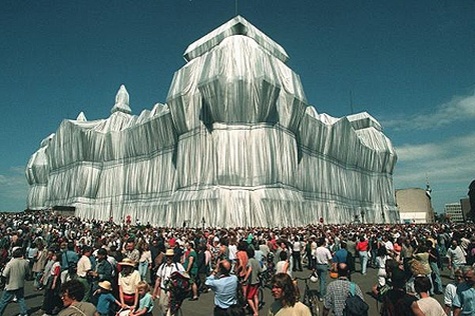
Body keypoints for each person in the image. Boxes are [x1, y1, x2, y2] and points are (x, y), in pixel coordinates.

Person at [152, 249, 185, 316]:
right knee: (162, 305)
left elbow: (185, 277)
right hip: (163, 290)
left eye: (170, 257)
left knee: (172, 309)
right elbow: (158, 279)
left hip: (174, 291)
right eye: (167, 257)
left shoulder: (178, 266)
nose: (168, 258)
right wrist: (154, 292)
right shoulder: (162, 266)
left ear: (173, 257)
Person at [0, 247, 30, 316]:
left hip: (10, 285)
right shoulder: (25, 262)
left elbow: (4, 274)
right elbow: (27, 273)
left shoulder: (10, 263)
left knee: (4, 301)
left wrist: (3, 283)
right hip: (20, 284)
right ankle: (24, 312)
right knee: (20, 299)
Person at [243, 247, 262, 316]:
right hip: (257, 281)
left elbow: (250, 269)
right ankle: (256, 309)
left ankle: (255, 311)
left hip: (252, 281)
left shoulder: (250, 261)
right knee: (255, 296)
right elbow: (260, 270)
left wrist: (245, 278)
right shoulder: (256, 261)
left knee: (249, 298)